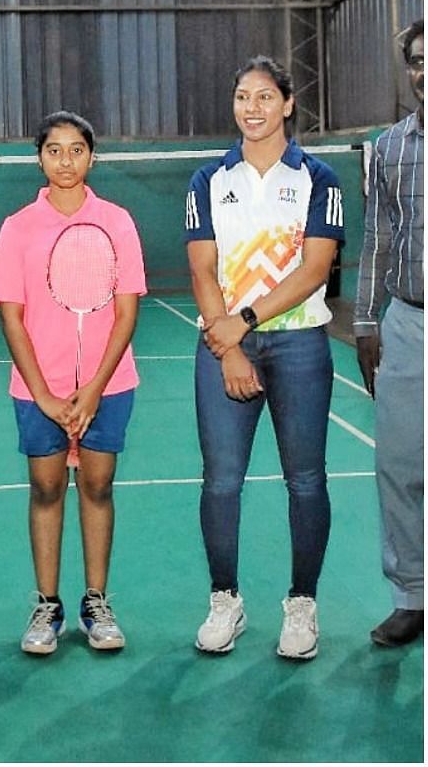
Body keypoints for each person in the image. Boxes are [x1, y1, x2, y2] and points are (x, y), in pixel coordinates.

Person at [184, 56, 344, 660]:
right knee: (221, 482)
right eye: (242, 97)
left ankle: (301, 605)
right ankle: (225, 600)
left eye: (263, 97)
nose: (251, 109)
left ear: (287, 104)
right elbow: (202, 268)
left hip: (300, 345)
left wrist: (243, 322)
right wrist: (228, 346)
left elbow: (315, 269)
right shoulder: (206, 180)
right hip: (223, 348)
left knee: (305, 481)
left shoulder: (319, 179)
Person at [0, 111, 146, 655]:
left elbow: (125, 315)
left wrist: (95, 387)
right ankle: (47, 604)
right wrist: (47, 396)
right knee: (47, 490)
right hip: (39, 390)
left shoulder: (118, 222)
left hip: (110, 384)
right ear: (39, 157)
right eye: (54, 150)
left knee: (98, 489)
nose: (66, 161)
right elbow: (11, 317)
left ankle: (96, 600)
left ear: (92, 156)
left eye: (77, 150)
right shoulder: (17, 227)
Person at [355, 19, 424, 647]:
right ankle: (411, 596)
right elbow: (377, 239)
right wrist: (366, 320)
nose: (425, 72)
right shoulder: (389, 148)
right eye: (417, 61)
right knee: (400, 465)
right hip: (409, 323)